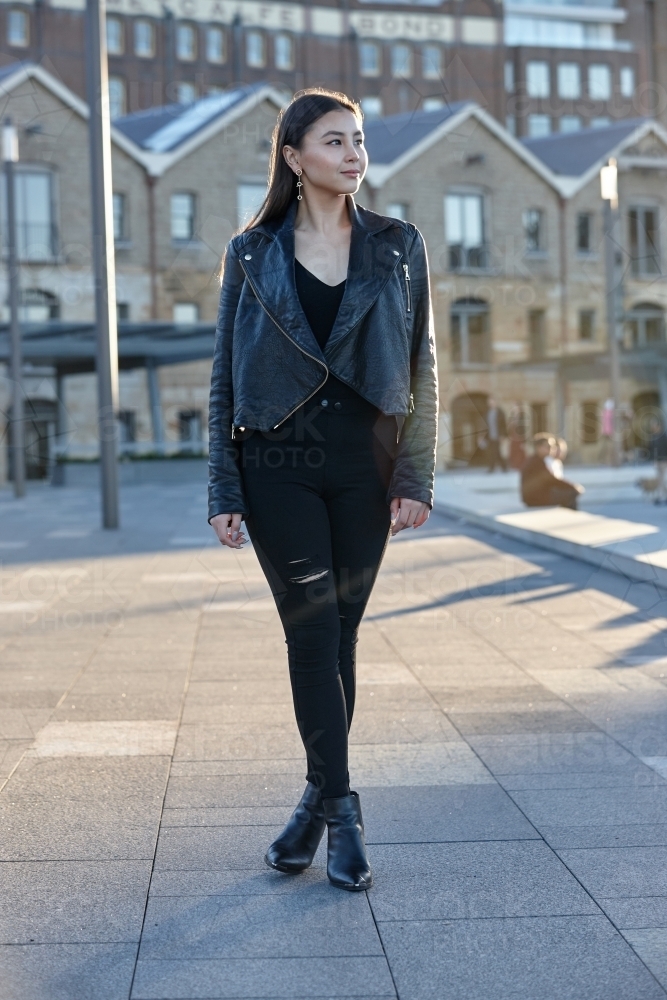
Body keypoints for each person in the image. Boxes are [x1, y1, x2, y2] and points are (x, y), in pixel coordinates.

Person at [207, 89, 438, 891]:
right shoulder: (251, 252)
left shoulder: (398, 245)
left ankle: (312, 801)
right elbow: (222, 379)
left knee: (340, 638)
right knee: (310, 634)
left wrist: (415, 475)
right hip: (277, 468)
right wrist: (221, 483)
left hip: (365, 470)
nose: (353, 154)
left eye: (359, 140)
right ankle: (344, 814)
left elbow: (421, 367)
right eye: (334, 140)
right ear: (293, 155)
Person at [521, 435, 583, 509]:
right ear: (539, 448)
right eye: (548, 446)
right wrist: (573, 486)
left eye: (552, 447)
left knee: (567, 493)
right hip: (536, 498)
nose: (551, 449)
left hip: (537, 496)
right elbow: (551, 480)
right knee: (572, 492)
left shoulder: (538, 460)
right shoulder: (536, 463)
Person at [485, 397, 508, 472]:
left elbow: (503, 425)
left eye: (492, 402)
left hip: (498, 436)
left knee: (494, 452)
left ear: (496, 402)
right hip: (490, 436)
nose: (491, 404)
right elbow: (485, 425)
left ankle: (492, 468)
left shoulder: (500, 413)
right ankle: (504, 467)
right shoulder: (488, 412)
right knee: (496, 452)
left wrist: (503, 436)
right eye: (490, 402)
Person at [648, 416, 667, 504]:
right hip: (657, 461)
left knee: (664, 479)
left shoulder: (663, 436)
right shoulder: (653, 437)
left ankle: (664, 496)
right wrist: (654, 460)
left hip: (664, 461)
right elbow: (652, 449)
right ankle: (661, 496)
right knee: (659, 479)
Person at [508, 402, 527, 471]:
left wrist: (524, 441)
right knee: (513, 451)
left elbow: (523, 429)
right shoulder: (512, 417)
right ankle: (514, 465)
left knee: (520, 451)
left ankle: (521, 465)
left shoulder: (522, 417)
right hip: (513, 437)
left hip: (520, 437)